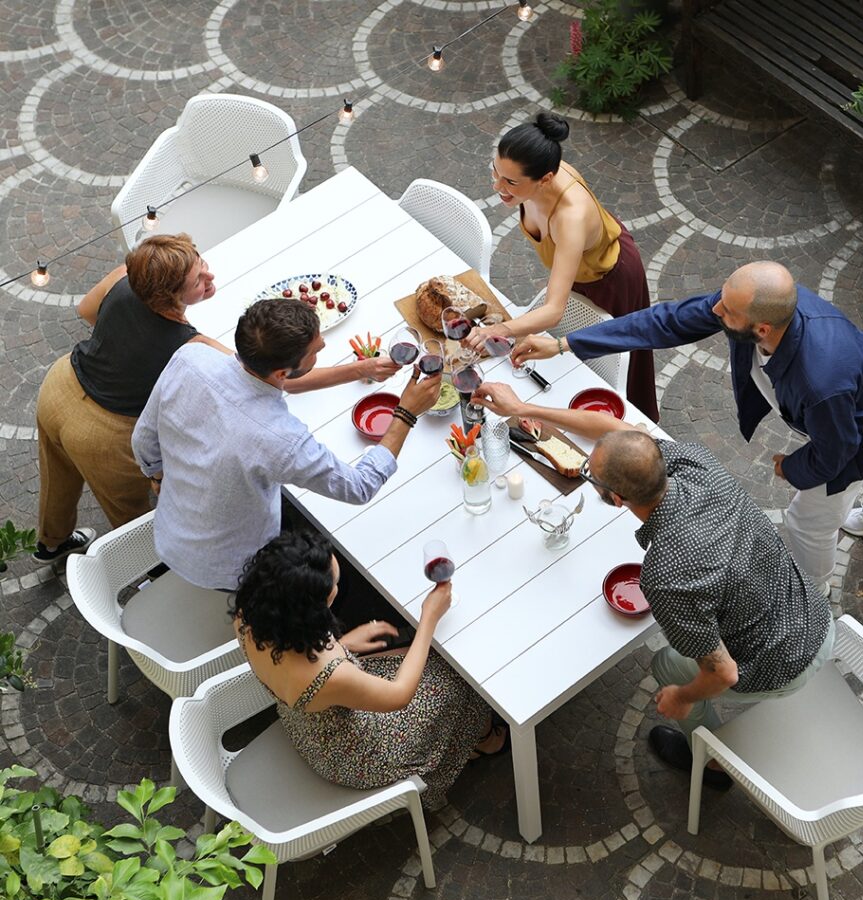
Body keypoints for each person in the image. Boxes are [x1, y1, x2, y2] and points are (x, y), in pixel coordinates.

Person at [471, 381, 834, 787]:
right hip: (814, 612)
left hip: (784, 662)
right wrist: (521, 406)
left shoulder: (665, 577)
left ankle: (709, 762)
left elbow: (724, 674)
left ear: (616, 500)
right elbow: (615, 430)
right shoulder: (696, 461)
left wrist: (681, 698)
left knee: (666, 665)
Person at [507, 261, 863, 595]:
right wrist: (566, 345)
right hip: (853, 393)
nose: (715, 311)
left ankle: (814, 597)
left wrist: (792, 468)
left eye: (727, 312)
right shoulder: (758, 307)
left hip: (861, 425)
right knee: (853, 453)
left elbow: (837, 451)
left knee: (807, 520)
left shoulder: (819, 383)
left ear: (762, 330)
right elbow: (664, 322)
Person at [132, 298, 439, 591]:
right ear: (282, 372)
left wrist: (158, 476)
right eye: (315, 351)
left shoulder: (191, 358)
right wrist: (406, 412)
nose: (323, 346)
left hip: (169, 533)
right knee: (335, 578)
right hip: (232, 569)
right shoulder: (280, 438)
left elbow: (142, 439)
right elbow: (359, 487)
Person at [232, 532, 507, 810]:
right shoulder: (325, 675)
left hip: (306, 720)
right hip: (353, 754)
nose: (337, 590)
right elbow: (399, 696)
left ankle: (476, 735)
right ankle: (480, 741)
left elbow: (296, 664)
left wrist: (343, 644)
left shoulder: (250, 615)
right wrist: (429, 618)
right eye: (333, 588)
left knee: (411, 656)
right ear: (308, 610)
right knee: (456, 675)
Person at [33, 234, 224, 563]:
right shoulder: (191, 345)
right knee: (131, 516)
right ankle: (149, 571)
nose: (210, 277)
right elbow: (250, 377)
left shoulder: (128, 275)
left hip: (59, 385)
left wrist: (123, 345)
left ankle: (52, 543)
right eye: (198, 280)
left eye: (202, 264)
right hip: (103, 436)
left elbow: (86, 309)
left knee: (57, 473)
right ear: (170, 296)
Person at [465, 112, 659, 422]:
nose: (497, 185)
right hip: (577, 267)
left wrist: (497, 330)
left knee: (620, 357)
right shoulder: (535, 171)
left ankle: (635, 423)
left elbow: (554, 309)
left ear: (545, 180)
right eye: (495, 171)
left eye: (510, 182)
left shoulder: (570, 217)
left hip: (609, 277)